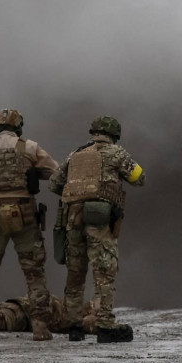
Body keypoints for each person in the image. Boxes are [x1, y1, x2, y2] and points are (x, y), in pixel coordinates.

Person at [0, 108, 59, 341]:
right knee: (34, 273)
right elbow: (55, 172)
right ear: (18, 126)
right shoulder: (30, 147)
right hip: (24, 216)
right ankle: (39, 327)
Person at [51, 115, 145, 343]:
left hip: (72, 219)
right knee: (104, 272)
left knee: (75, 273)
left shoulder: (75, 154)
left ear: (93, 132)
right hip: (99, 219)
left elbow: (54, 183)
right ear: (114, 135)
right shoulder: (117, 153)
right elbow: (139, 177)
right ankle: (104, 325)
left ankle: (74, 327)